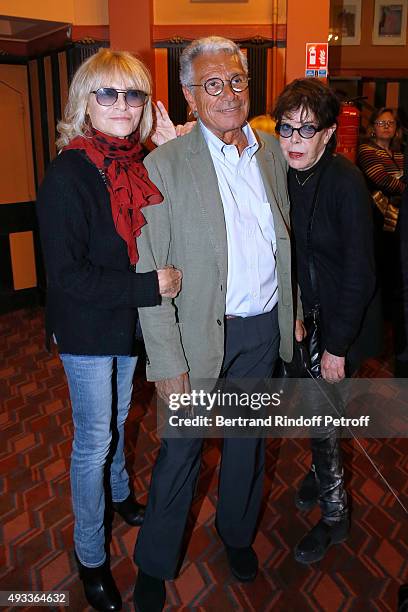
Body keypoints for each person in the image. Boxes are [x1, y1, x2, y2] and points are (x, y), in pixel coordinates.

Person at [132, 36, 301, 611]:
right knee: (179, 451)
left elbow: (288, 240)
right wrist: (165, 360)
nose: (227, 93)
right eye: (212, 84)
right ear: (189, 96)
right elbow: (149, 267)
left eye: (236, 81)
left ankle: (235, 536)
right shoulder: (165, 164)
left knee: (247, 446)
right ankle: (155, 563)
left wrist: (294, 317)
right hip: (196, 335)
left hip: (259, 330)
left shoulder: (273, 150)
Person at [36, 49, 182, 612]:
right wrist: (151, 288)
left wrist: (172, 150)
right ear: (84, 102)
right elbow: (69, 279)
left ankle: (120, 494)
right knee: (94, 440)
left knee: (121, 419)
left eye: (134, 94)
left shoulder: (139, 161)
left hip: (125, 325)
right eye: (108, 93)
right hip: (86, 327)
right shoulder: (69, 173)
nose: (122, 105)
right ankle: (90, 556)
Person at [273, 78, 376, 564]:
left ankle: (336, 517)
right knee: (317, 417)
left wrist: (336, 345)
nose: (293, 141)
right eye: (286, 129)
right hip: (304, 320)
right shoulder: (286, 174)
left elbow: (361, 272)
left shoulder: (345, 182)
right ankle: (321, 473)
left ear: (329, 133)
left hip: (338, 323)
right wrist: (293, 313)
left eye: (306, 130)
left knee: (324, 421)